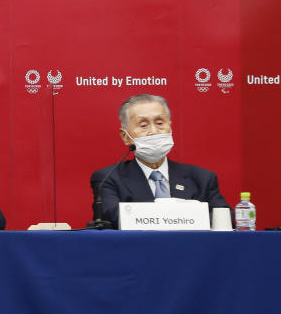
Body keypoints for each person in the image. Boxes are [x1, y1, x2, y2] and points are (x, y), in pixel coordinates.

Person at [90, 93, 229, 227]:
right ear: (125, 136)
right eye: (143, 125)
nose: (154, 131)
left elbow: (226, 220)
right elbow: (114, 218)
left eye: (160, 123)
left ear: (170, 126)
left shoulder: (202, 178)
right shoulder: (108, 180)